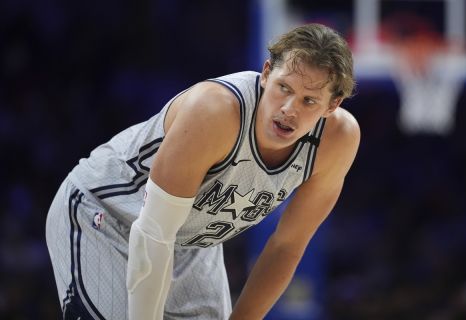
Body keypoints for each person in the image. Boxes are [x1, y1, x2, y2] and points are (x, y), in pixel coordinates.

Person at [45, 23, 360, 320]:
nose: (289, 108)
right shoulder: (215, 111)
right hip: (103, 214)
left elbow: (287, 245)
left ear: (332, 106)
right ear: (266, 74)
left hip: (186, 241)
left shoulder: (337, 141)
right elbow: (153, 231)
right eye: (283, 87)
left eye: (309, 100)